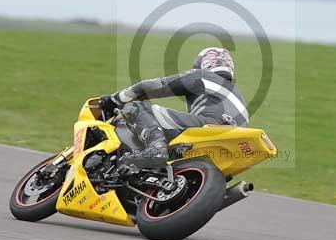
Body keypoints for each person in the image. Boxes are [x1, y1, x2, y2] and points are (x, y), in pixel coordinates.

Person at [99, 47, 248, 169]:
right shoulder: (239, 96)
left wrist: (114, 100)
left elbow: (150, 86)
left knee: (134, 107)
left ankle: (156, 148)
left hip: (207, 127)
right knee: (173, 148)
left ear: (203, 63)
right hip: (230, 147)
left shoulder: (202, 76)